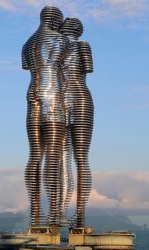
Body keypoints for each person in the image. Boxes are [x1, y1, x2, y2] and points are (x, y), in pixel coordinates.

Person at [21, 6, 69, 227]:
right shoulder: (60, 39)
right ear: (55, 19)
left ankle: (35, 214)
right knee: (54, 156)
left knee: (34, 155)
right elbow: (62, 68)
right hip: (53, 99)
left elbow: (27, 67)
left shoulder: (27, 44)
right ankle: (54, 215)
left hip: (32, 98)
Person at [60, 17, 94, 228]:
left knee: (62, 158)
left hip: (60, 100)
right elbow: (88, 68)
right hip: (81, 99)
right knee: (81, 158)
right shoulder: (83, 46)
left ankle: (62, 212)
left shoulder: (53, 49)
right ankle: (78, 215)